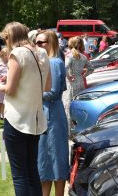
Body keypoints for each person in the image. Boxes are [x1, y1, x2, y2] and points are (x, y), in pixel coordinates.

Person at [0, 22, 51, 196]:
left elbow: (9, 89)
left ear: (11, 37)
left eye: (6, 39)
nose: (5, 43)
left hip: (17, 119)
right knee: (32, 171)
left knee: (19, 175)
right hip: (36, 120)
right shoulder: (42, 53)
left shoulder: (17, 54)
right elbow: (47, 85)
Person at [35, 30, 69, 196]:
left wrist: (32, 92)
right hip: (48, 114)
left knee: (55, 159)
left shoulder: (53, 63)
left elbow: (54, 92)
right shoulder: (49, 62)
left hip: (52, 116)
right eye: (36, 42)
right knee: (45, 161)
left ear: (52, 43)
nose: (38, 45)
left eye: (41, 42)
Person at [0, 47, 9, 120]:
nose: (7, 56)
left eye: (8, 54)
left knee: (4, 101)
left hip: (6, 84)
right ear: (2, 55)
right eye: (5, 55)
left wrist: (7, 77)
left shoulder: (10, 64)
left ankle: (3, 114)